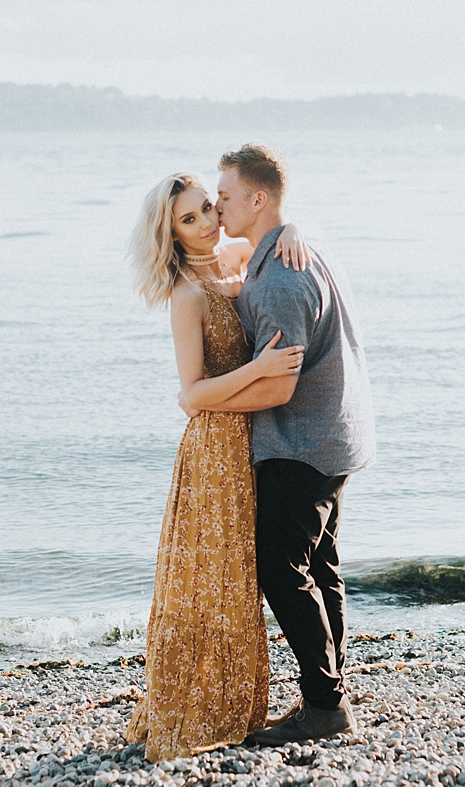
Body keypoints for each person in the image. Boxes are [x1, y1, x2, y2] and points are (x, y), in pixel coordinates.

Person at [122, 172, 311, 760]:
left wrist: (295, 229)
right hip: (213, 451)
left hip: (257, 440)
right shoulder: (186, 294)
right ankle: (191, 712)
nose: (207, 223)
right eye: (189, 219)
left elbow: (267, 231)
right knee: (205, 581)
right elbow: (192, 394)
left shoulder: (236, 254)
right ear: (172, 235)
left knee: (241, 579)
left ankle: (240, 706)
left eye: (207, 208)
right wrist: (259, 370)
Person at [207, 144, 377, 745]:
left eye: (224, 195)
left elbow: (278, 387)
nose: (216, 204)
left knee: (280, 571)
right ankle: (329, 693)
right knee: (319, 565)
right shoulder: (293, 248)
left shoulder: (278, 275)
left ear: (257, 199)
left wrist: (204, 401)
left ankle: (325, 707)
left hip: (302, 441)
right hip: (339, 435)